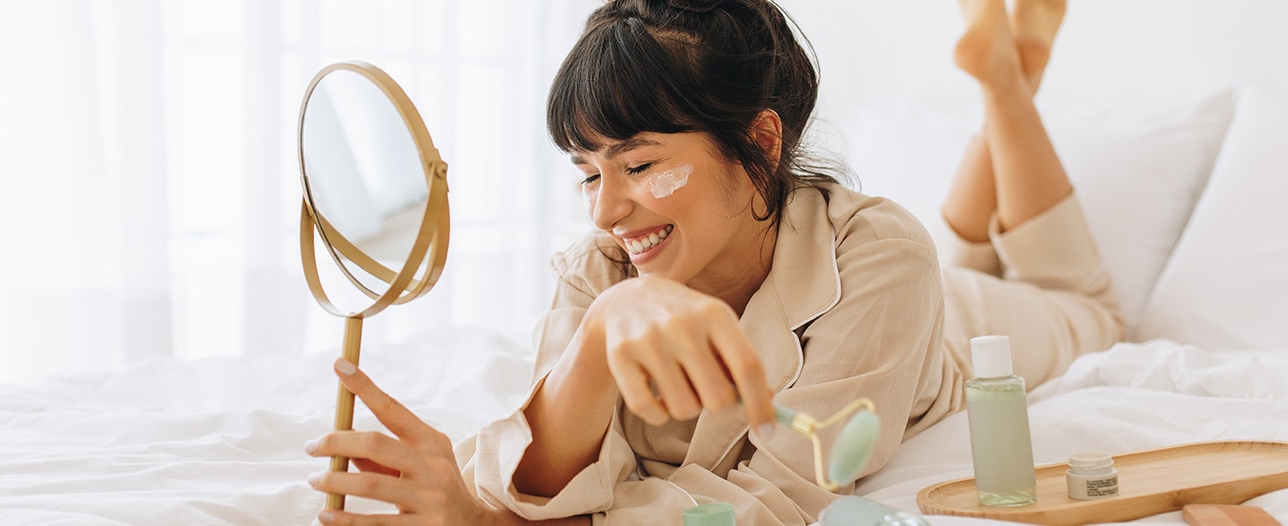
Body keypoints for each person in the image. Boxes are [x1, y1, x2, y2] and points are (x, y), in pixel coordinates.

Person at [303, 0, 1122, 524]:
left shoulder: (884, 255)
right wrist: (602, 331)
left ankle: (1011, 89)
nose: (606, 210)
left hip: (961, 322)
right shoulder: (596, 270)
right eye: (589, 173)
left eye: (640, 164)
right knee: (969, 246)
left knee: (1082, 302)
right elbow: (541, 477)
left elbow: (769, 503)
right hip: (912, 283)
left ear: (761, 143)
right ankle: (1009, 77)